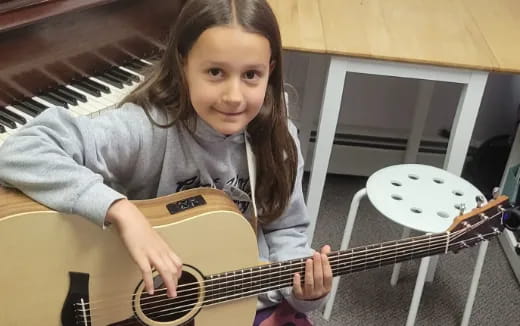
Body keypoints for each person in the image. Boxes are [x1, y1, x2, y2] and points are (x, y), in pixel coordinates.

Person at [0, 0, 332, 324]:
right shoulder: (147, 128)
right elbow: (21, 150)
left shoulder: (279, 141)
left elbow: (285, 229)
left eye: (251, 75)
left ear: (269, 71)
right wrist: (120, 211)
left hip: (231, 296)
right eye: (215, 72)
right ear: (184, 64)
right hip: (133, 302)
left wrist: (304, 290)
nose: (234, 96)